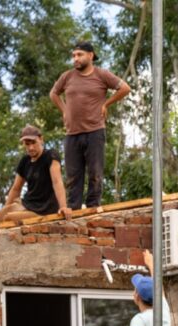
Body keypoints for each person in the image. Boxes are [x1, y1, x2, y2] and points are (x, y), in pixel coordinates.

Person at [50, 41, 130, 210]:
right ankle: (74, 208)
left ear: (91, 55)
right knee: (73, 175)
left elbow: (124, 88)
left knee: (95, 173)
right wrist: (64, 110)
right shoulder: (67, 76)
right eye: (73, 56)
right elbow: (54, 93)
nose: (75, 59)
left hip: (95, 131)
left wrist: (106, 104)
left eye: (79, 55)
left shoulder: (102, 75)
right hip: (72, 133)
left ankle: (93, 207)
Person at [0, 125, 72, 224]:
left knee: (8, 219)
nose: (31, 147)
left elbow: (57, 181)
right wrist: (5, 209)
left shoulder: (51, 156)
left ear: (41, 139)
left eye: (33, 143)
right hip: (26, 205)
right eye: (27, 144)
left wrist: (63, 207)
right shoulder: (25, 160)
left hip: (44, 210)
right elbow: (16, 188)